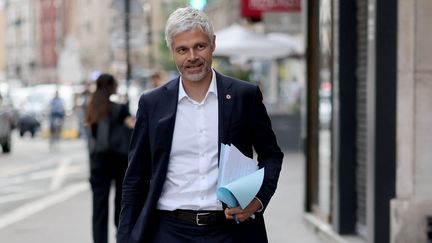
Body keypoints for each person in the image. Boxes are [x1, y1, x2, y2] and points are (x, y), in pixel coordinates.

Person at [117, 7, 283, 243]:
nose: (192, 56)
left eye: (199, 46)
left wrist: (257, 201)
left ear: (213, 44)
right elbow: (134, 179)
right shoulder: (152, 104)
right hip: (169, 232)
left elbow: (272, 155)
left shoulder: (243, 96)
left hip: (231, 231)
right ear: (172, 52)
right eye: (182, 50)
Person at [85, 73, 135, 243]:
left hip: (98, 162)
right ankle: (121, 237)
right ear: (112, 86)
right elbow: (132, 125)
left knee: (99, 208)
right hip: (119, 161)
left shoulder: (91, 107)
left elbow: (91, 137)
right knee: (121, 204)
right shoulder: (119, 108)